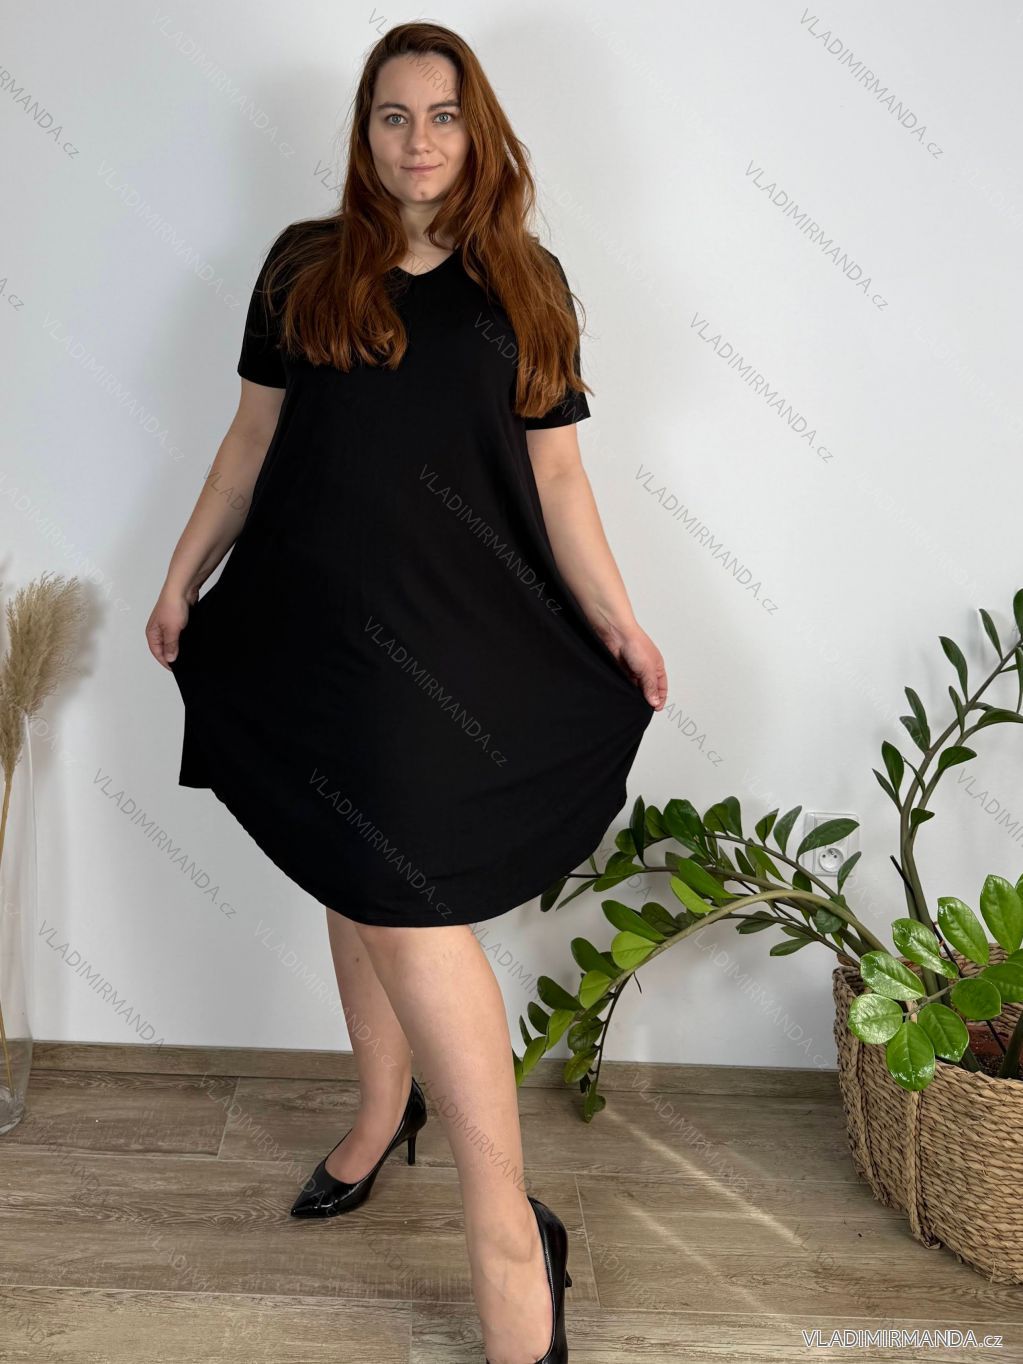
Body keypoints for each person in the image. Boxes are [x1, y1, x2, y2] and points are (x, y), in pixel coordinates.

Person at [146, 20, 666, 1364]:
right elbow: (250, 441)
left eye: (441, 116)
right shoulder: (302, 267)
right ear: (364, 132)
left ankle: (510, 1238)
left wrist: (620, 623)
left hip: (454, 646)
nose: (418, 140)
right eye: (392, 115)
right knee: (350, 869)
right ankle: (384, 1113)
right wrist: (182, 575)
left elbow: (559, 478)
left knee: (402, 899)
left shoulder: (527, 283)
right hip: (308, 631)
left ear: (475, 131)